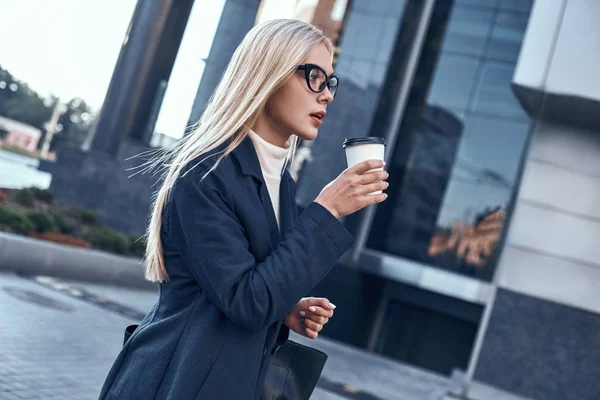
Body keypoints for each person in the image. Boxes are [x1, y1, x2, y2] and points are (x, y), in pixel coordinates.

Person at [99, 18, 388, 399]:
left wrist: (286, 308)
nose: (327, 95)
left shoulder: (280, 180)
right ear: (268, 72)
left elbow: (246, 285)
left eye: (330, 81)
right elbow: (246, 302)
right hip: (173, 381)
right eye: (314, 76)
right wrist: (328, 210)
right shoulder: (203, 174)